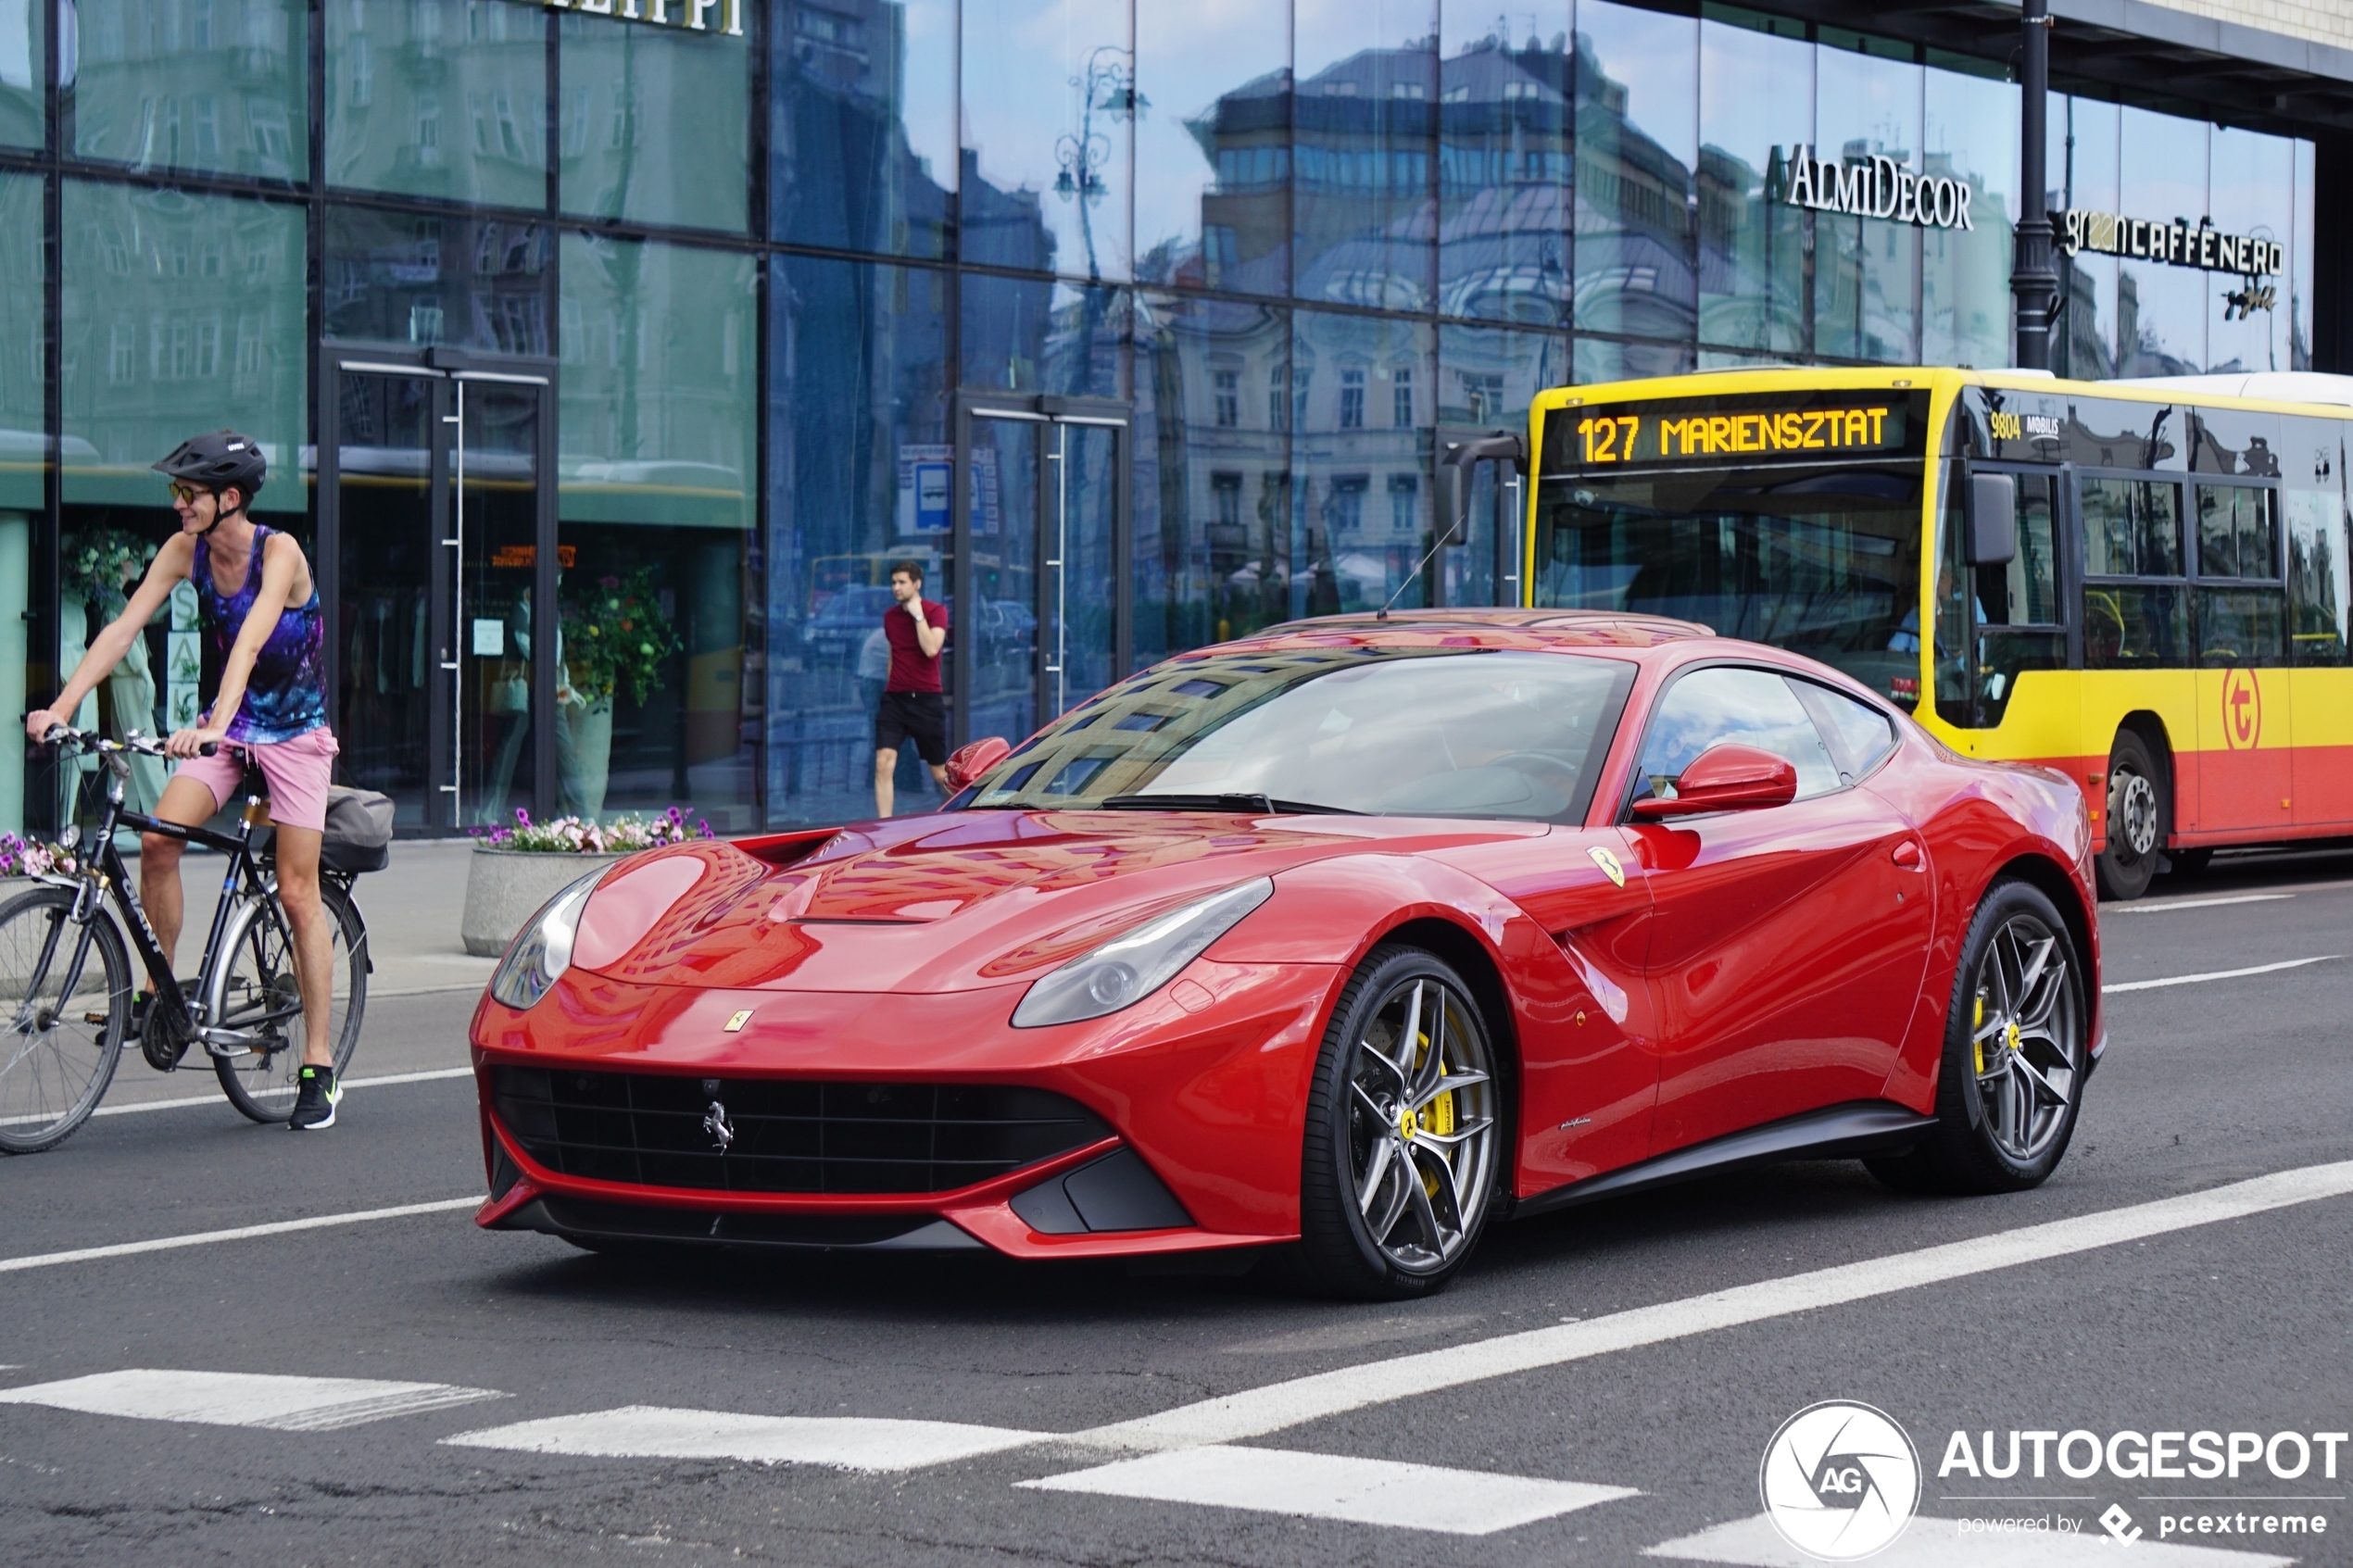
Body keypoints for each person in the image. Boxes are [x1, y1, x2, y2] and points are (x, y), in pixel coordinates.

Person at [25, 432, 346, 1130]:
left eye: (187, 493)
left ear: (228, 499)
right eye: (176, 491)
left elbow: (254, 638)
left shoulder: (278, 552)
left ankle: (318, 1064)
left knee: (296, 890)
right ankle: (159, 988)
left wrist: (213, 723)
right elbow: (122, 629)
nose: (177, 503)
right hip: (228, 729)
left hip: (293, 736)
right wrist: (61, 705)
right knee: (160, 844)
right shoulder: (185, 551)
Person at [874, 560, 950, 817]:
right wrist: (889, 687)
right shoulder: (890, 618)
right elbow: (894, 655)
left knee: (939, 774)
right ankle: (884, 825)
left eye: (902, 582)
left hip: (927, 701)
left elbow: (930, 649)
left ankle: (971, 817)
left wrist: (918, 616)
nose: (896, 588)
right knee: (883, 762)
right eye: (893, 583)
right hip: (895, 699)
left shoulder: (936, 611)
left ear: (917, 584)